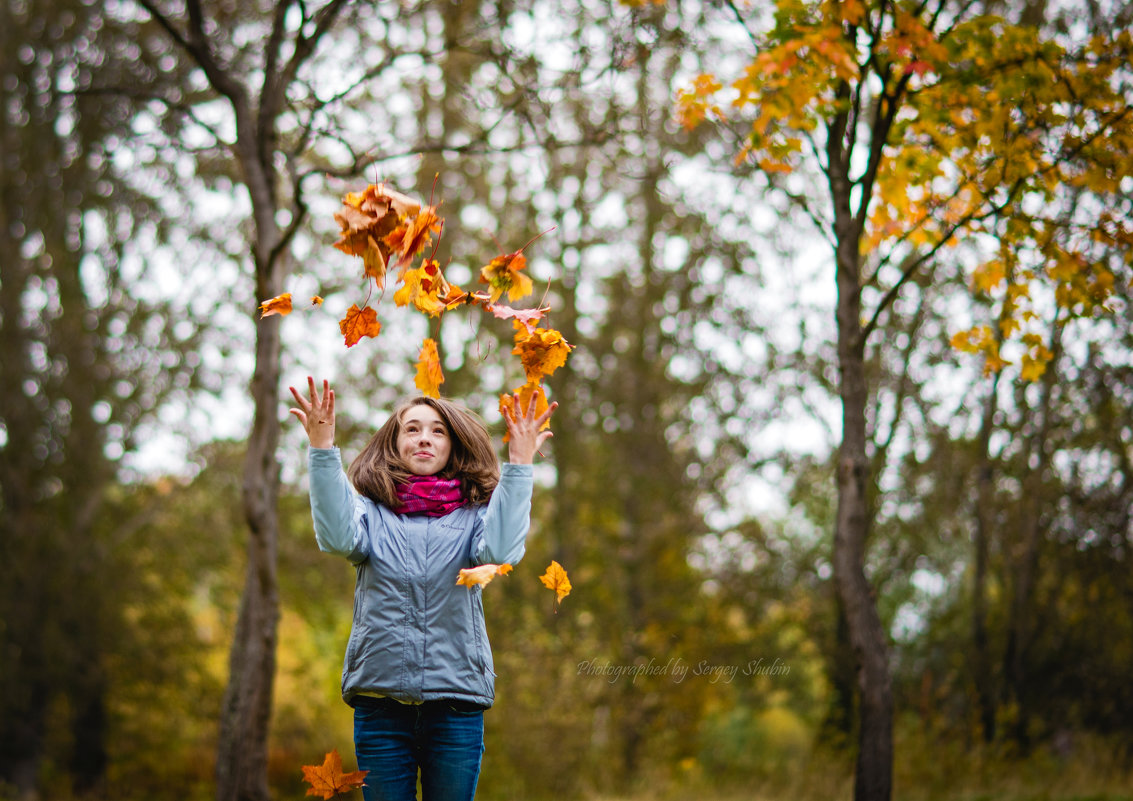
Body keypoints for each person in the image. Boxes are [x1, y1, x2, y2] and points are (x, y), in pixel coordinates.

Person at [288, 377, 556, 801]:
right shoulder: (370, 515)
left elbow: (502, 551)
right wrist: (322, 450)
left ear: (453, 445)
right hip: (380, 705)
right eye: (412, 429)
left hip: (455, 704)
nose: (425, 439)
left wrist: (520, 464)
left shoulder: (475, 517)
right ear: (394, 444)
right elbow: (337, 538)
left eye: (437, 430)